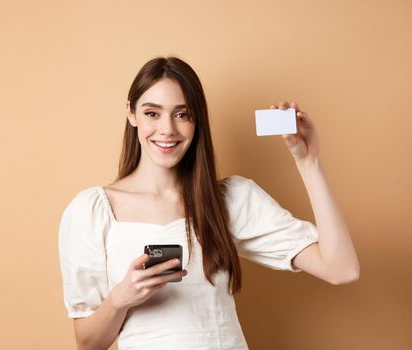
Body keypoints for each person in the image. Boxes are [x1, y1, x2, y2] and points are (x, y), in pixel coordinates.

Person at [57, 56, 360, 350]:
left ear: (197, 120)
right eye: (152, 113)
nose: (167, 129)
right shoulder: (92, 210)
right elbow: (88, 343)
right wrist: (121, 297)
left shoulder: (228, 200)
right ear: (131, 113)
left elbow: (341, 269)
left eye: (182, 114)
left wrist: (309, 162)